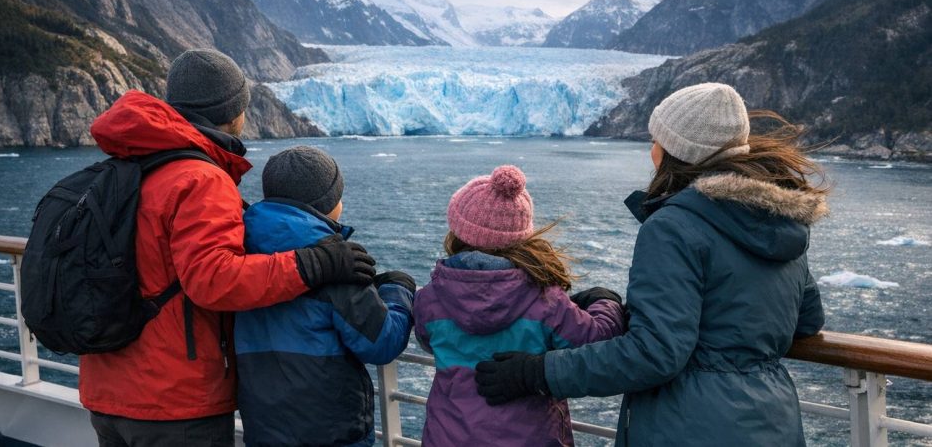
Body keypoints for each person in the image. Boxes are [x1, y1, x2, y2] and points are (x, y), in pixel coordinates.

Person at [475, 83, 827, 446]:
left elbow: (655, 352)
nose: (651, 150)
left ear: (677, 152)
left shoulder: (674, 226)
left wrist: (537, 372)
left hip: (690, 427)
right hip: (772, 423)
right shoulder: (778, 219)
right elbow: (808, 320)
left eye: (657, 139)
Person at [83, 49, 376, 447]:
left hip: (109, 385)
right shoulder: (200, 177)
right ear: (233, 111)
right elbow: (213, 280)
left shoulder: (127, 164)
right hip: (172, 397)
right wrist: (315, 264)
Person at [415, 165, 626, 447]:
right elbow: (596, 338)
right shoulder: (545, 299)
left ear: (457, 232)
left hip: (448, 437)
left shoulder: (430, 298)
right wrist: (606, 301)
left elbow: (428, 341)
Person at [236, 146, 415, 446]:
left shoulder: (241, 250)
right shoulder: (334, 263)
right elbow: (381, 342)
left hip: (263, 427)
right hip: (330, 432)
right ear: (328, 204)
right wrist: (400, 289)